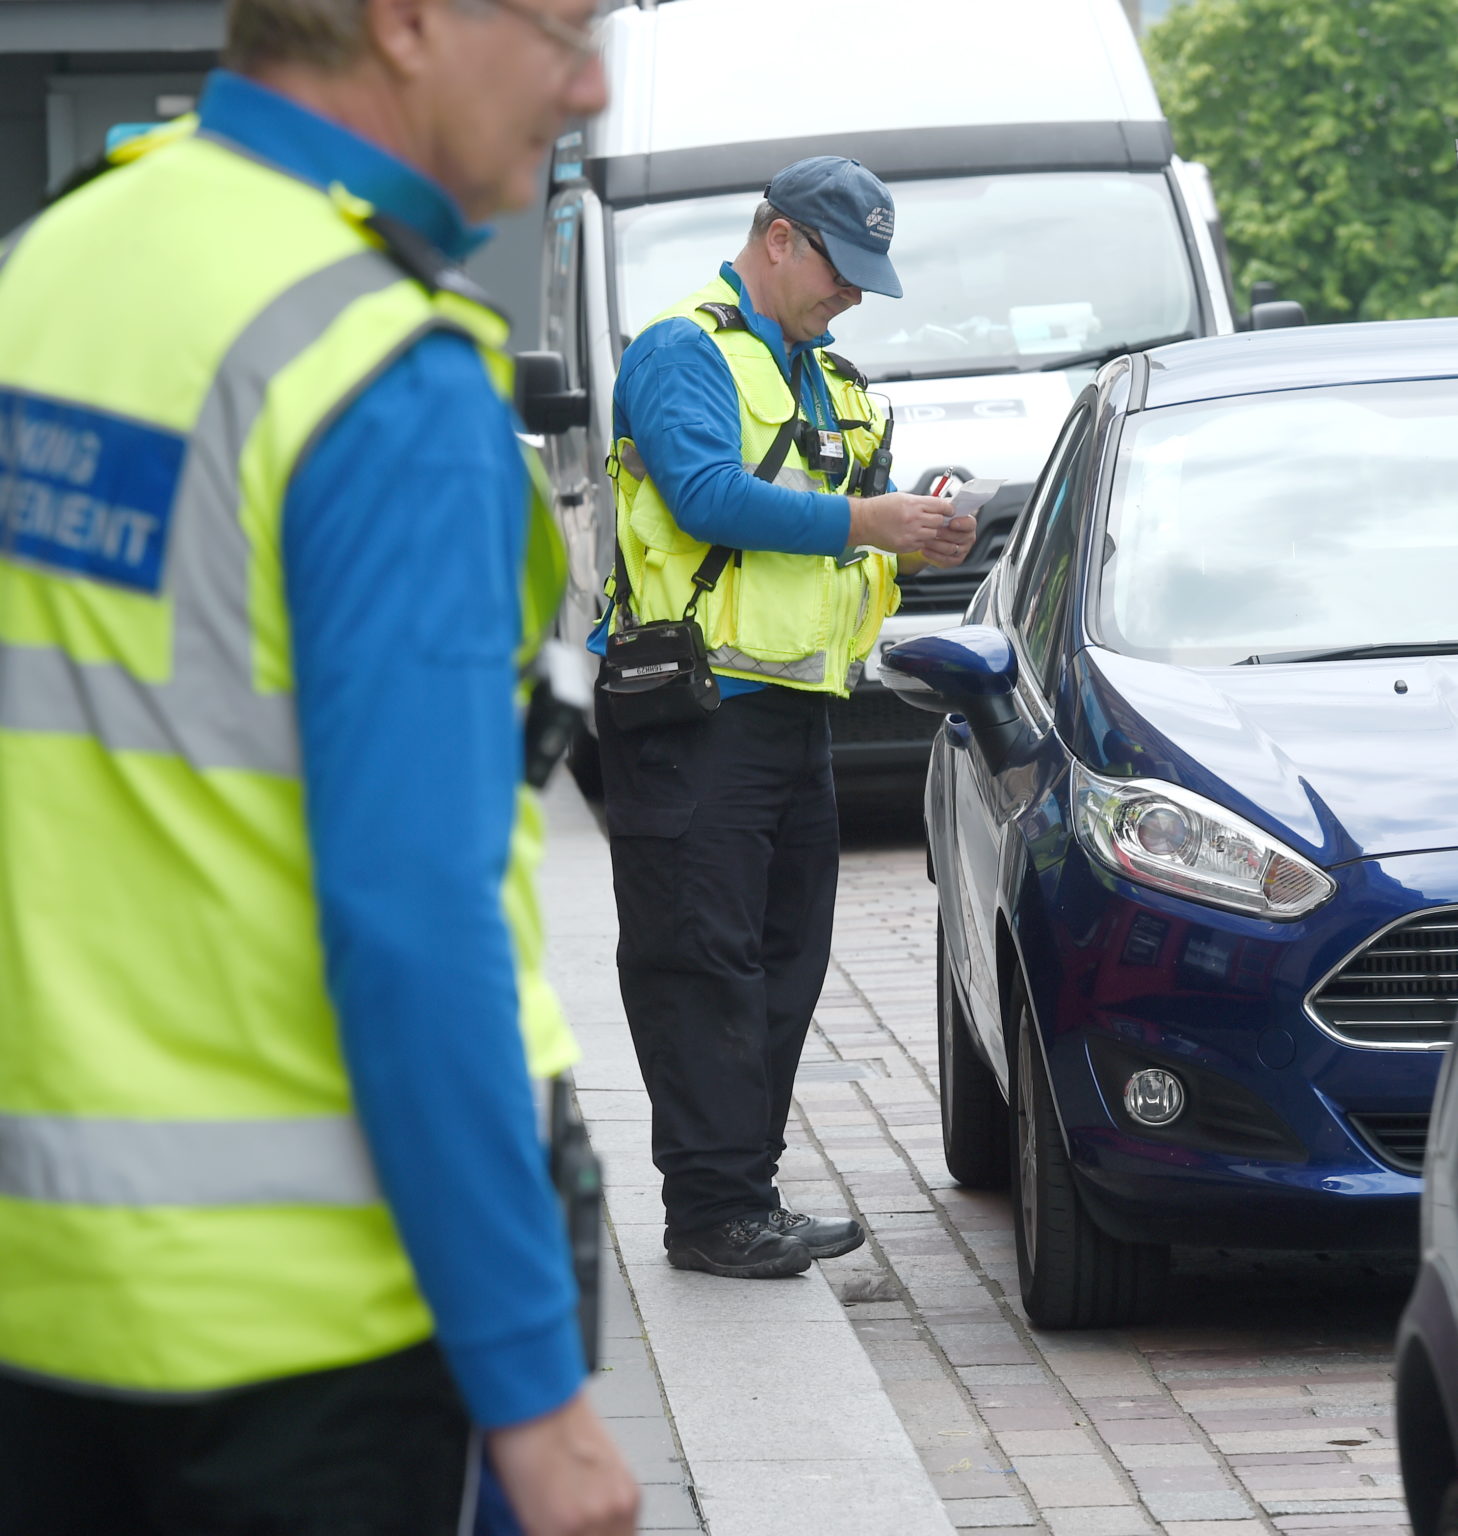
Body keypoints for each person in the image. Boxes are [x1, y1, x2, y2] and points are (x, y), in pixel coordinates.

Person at [0, 2, 638, 1534]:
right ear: (408, 21)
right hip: (322, 1338)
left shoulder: (54, 272)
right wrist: (535, 1399)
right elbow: (414, 927)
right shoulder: (377, 377)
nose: (592, 81)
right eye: (565, 25)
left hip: (43, 1301)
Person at [596, 156, 978, 1280]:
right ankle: (712, 1211)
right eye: (839, 268)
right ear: (775, 238)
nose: (852, 294)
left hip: (792, 710)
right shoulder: (683, 349)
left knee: (781, 960)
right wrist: (872, 518)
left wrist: (921, 529)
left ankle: (742, 1191)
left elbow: (830, 519)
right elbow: (706, 493)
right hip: (693, 709)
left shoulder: (821, 373)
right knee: (700, 960)